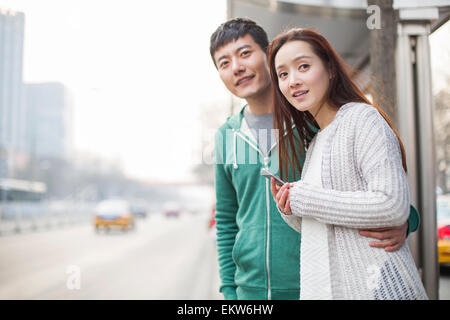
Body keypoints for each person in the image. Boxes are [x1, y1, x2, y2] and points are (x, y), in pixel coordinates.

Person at [211, 18, 420, 300]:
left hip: (320, 282)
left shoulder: (315, 124)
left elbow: (386, 194)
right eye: (224, 63)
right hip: (251, 291)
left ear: (267, 55)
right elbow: (226, 221)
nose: (236, 67)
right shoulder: (227, 136)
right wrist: (230, 293)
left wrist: (407, 220)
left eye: (245, 53)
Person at [269, 27, 428, 299]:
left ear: (330, 69)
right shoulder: (316, 142)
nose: (292, 80)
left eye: (303, 66)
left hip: (379, 290)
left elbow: (391, 205)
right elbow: (331, 227)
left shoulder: (362, 119)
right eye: (283, 74)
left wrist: (305, 198)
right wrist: (291, 210)